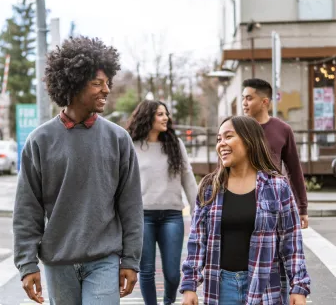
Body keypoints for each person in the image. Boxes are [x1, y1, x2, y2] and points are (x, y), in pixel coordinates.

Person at [13, 36, 144, 305]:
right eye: (97, 83)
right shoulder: (40, 141)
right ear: (73, 84)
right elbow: (27, 208)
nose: (106, 89)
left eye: (108, 82)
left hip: (104, 259)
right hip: (58, 262)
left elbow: (130, 205)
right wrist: (27, 265)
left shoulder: (118, 139)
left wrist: (131, 259)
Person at [180, 115, 310, 305]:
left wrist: (298, 287)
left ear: (249, 140)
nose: (221, 144)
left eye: (228, 136)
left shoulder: (277, 187)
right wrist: (190, 285)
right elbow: (197, 241)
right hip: (221, 286)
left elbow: (291, 243)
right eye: (218, 139)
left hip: (265, 285)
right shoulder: (209, 187)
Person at [127, 100, 198, 305]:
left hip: (172, 216)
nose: (165, 117)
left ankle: (168, 302)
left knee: (173, 273)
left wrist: (197, 210)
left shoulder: (175, 144)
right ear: (147, 117)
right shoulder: (132, 145)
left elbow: (188, 177)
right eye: (159, 114)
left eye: (166, 113)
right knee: (147, 270)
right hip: (143, 216)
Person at [242, 78, 309, 229]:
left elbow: (294, 169)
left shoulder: (283, 130)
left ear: (265, 102)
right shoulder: (236, 128)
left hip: (272, 202)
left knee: (272, 249)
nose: (244, 103)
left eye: (249, 98)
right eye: (243, 98)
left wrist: (302, 207)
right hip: (241, 198)